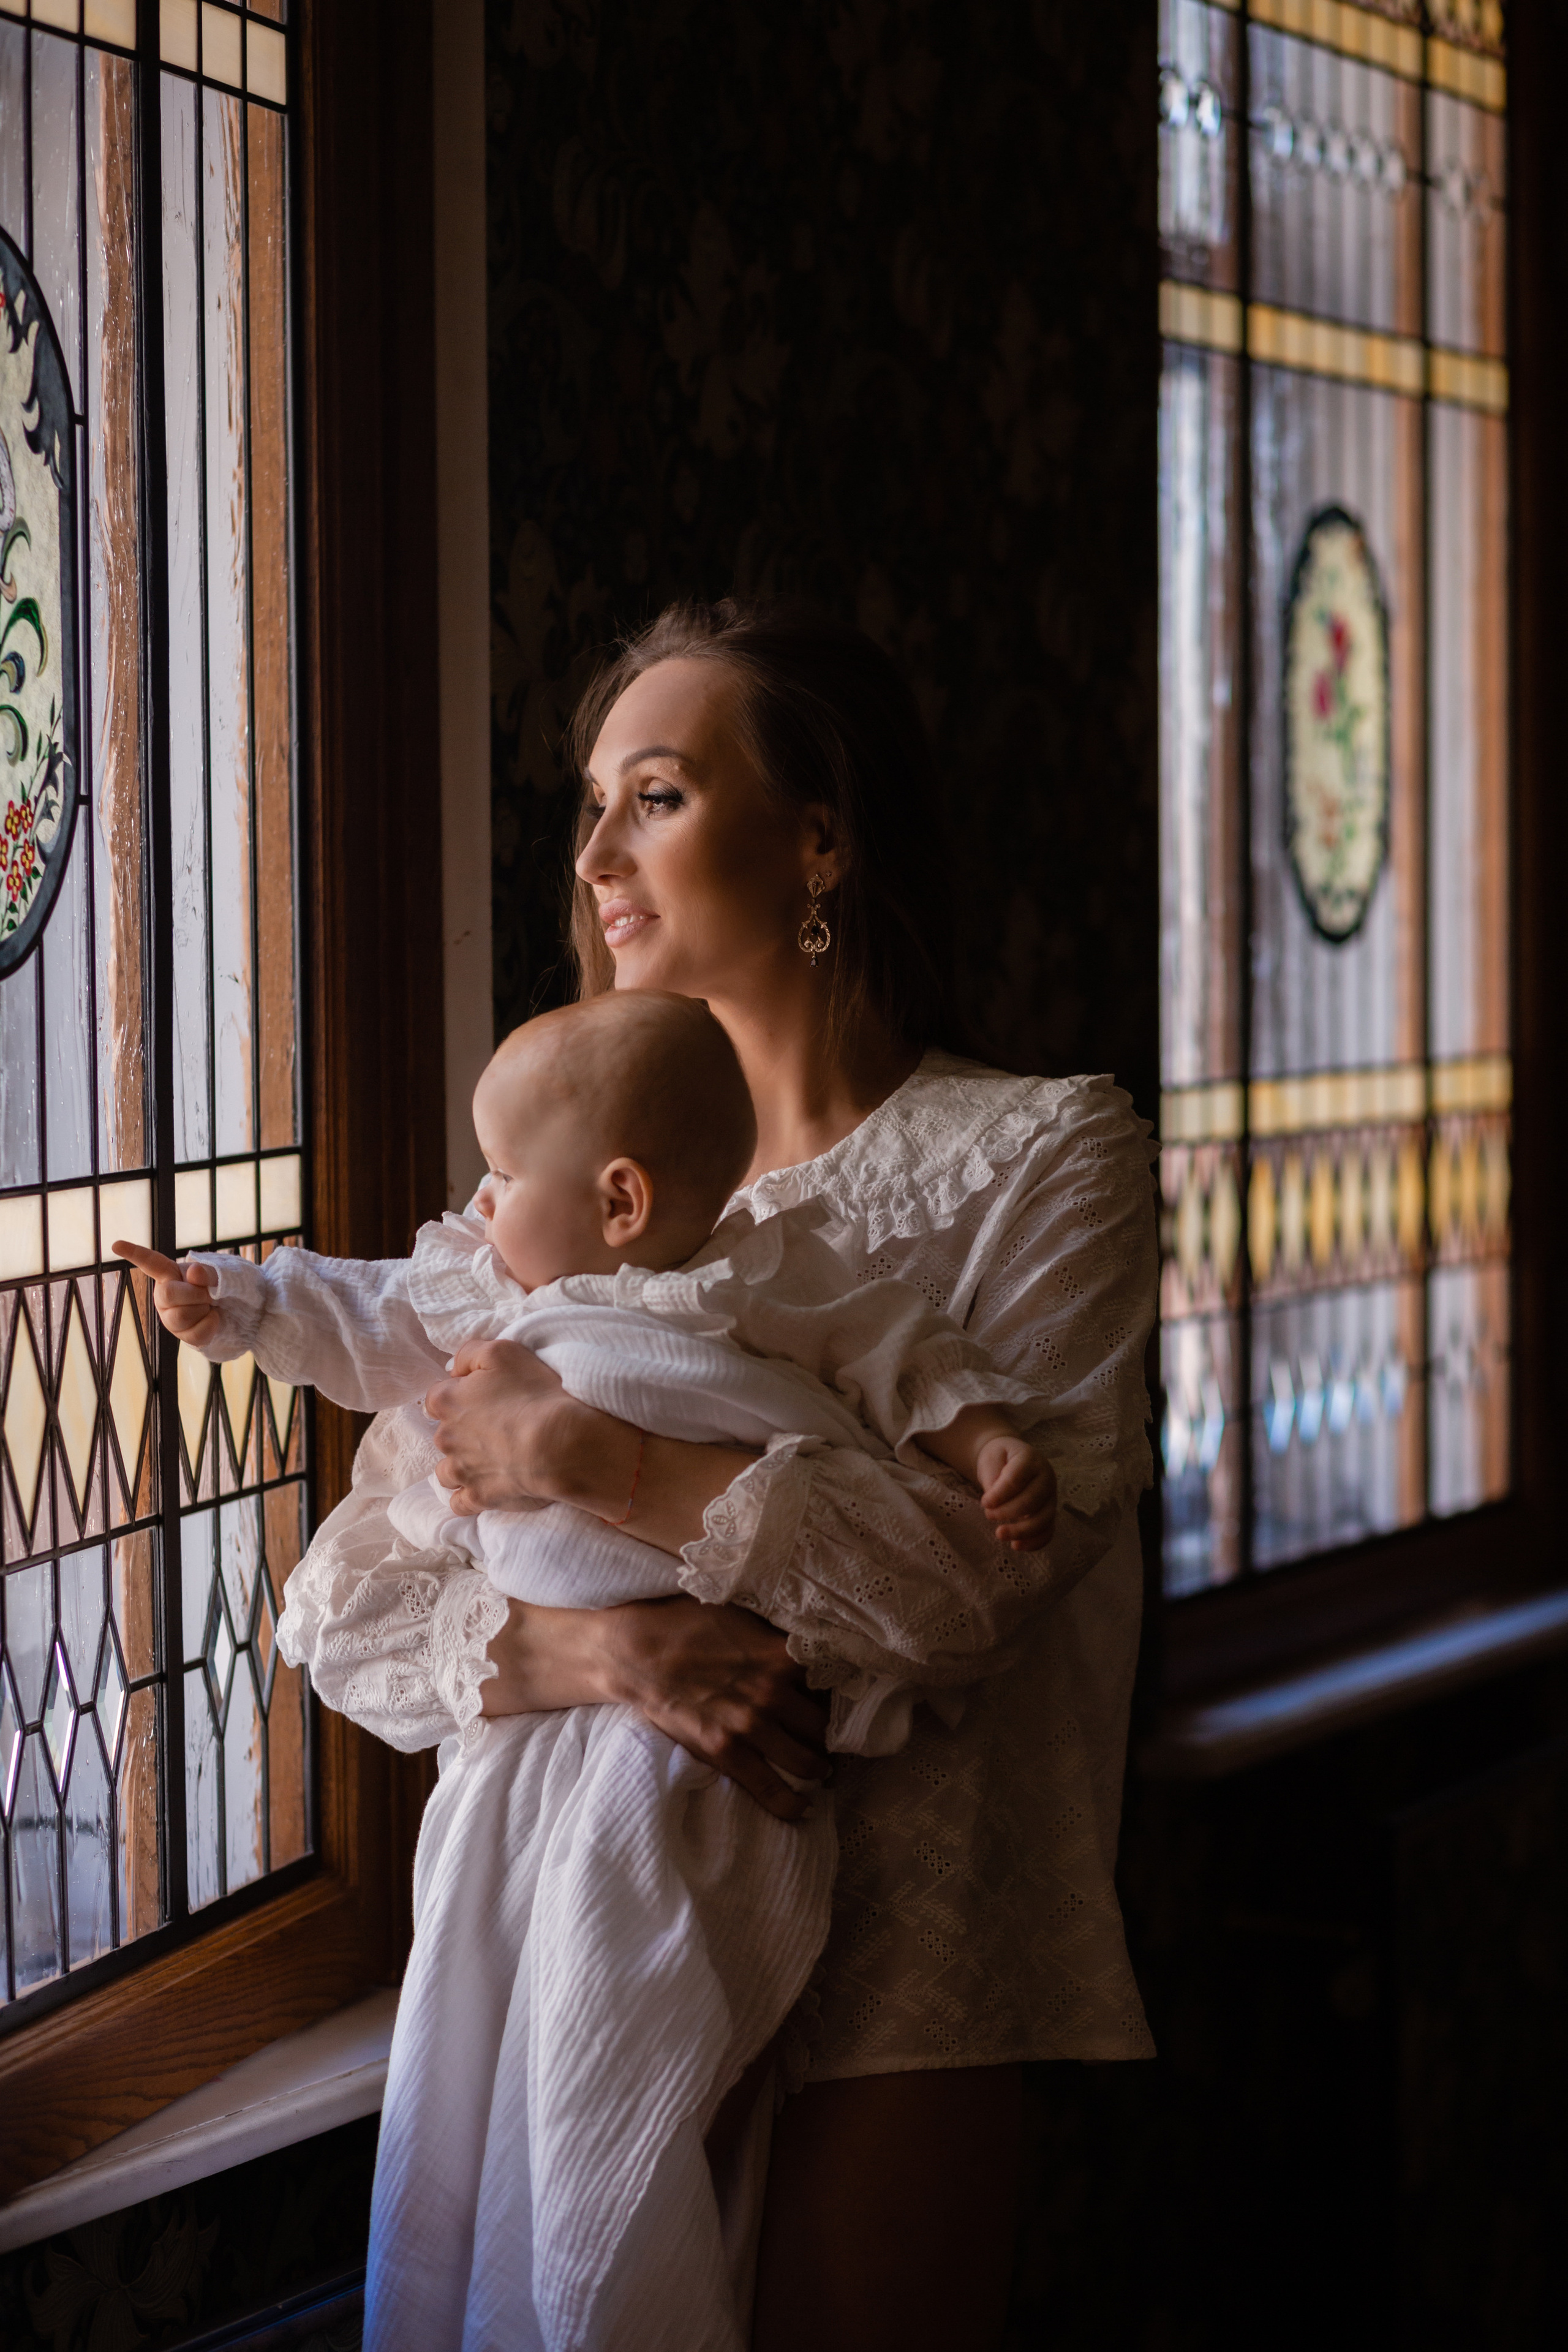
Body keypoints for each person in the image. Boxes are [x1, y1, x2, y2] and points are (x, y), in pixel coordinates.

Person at [280, 599, 1159, 2352]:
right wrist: (615, 1654)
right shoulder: (546, 1206)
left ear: (818, 836)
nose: (598, 851)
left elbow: (968, 1594)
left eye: (659, 795)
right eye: (592, 804)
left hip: (909, 1968)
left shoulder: (1042, 1157)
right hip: (581, 1942)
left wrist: (598, 1459)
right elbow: (352, 1603)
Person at [118, 987, 1059, 2350]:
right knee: (510, 2004)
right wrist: (245, 1303)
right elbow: (365, 1311)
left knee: (625, 2032)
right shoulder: (487, 1293)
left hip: (713, 1764)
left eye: (499, 1177)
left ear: (619, 1198)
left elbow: (902, 1361)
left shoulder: (769, 1282)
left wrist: (985, 1448)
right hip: (536, 1744)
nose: (477, 1202)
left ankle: (606, 2274)